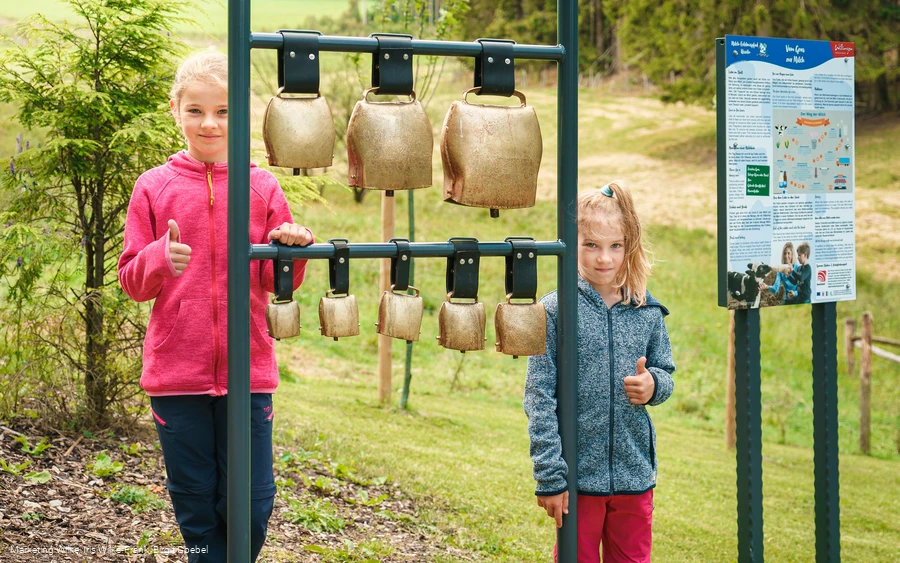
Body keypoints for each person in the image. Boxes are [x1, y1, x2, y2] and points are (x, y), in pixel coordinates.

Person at [117, 51, 313, 562]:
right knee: (195, 499)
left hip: (249, 374)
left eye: (224, 111)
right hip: (175, 376)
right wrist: (159, 257)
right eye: (195, 110)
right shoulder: (153, 188)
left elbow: (277, 282)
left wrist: (291, 247)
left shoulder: (262, 186)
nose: (209, 123)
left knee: (253, 499)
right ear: (175, 111)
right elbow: (132, 281)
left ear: (241, 113)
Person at [524, 181, 676, 563]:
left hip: (634, 477)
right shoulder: (554, 309)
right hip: (577, 482)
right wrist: (550, 476)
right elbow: (538, 396)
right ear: (570, 244)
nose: (603, 258)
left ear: (630, 246)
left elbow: (666, 372)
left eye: (615, 246)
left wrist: (653, 384)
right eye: (591, 245)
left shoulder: (648, 311)